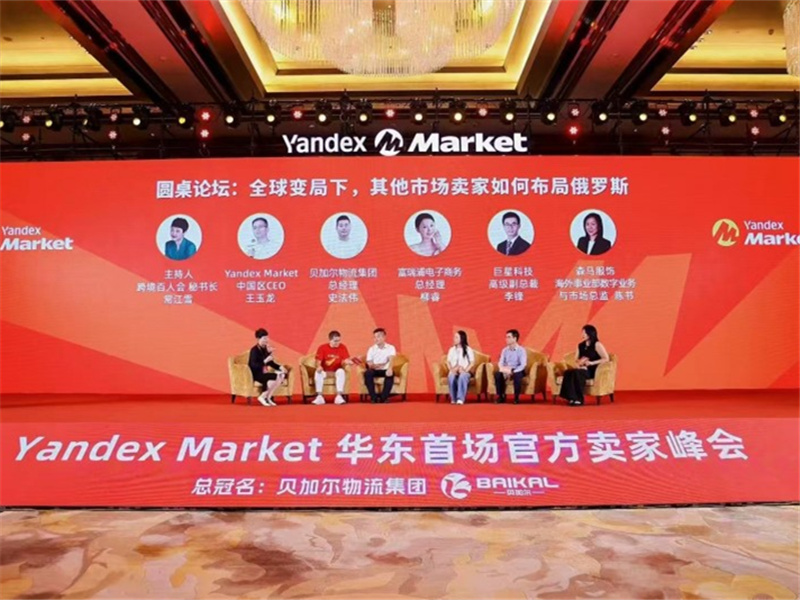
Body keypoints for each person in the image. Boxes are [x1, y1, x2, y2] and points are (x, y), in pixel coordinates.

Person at [559, 324, 610, 406]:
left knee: (577, 373)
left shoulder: (597, 344)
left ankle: (579, 399)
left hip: (592, 369)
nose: (582, 335)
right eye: (582, 333)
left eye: (584, 333)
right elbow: (576, 359)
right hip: (581, 368)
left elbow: (606, 358)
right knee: (568, 373)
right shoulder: (580, 345)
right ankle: (571, 398)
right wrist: (579, 363)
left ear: (590, 333)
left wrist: (591, 363)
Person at [247, 328, 287, 406]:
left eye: (267, 338)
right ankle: (262, 397)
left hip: (264, 372)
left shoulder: (265, 349)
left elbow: (270, 363)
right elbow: (253, 365)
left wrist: (280, 367)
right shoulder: (254, 350)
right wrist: (265, 361)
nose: (266, 340)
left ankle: (268, 397)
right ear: (258, 339)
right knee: (276, 376)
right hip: (256, 374)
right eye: (264, 338)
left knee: (282, 375)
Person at [312, 330, 353, 405]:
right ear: (330, 340)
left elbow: (346, 359)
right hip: (325, 372)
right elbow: (318, 361)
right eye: (335, 341)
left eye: (339, 340)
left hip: (336, 371)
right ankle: (319, 397)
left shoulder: (343, 347)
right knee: (317, 372)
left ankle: (339, 396)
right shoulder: (322, 347)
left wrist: (349, 362)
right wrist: (319, 366)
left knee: (341, 371)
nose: (338, 343)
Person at [494, 329, 527, 404]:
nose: (506, 339)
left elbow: (523, 364)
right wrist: (504, 369)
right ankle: (501, 396)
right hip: (507, 369)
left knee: (517, 375)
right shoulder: (504, 350)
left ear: (515, 338)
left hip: (518, 369)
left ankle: (516, 398)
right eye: (506, 337)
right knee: (498, 375)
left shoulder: (521, 350)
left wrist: (513, 371)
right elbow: (501, 362)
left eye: (509, 337)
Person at [364, 328, 396, 403]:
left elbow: (391, 359)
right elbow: (369, 363)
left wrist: (390, 368)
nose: (376, 339)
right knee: (368, 373)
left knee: (390, 374)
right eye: (374, 337)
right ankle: (373, 397)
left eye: (378, 336)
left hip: (385, 369)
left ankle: (384, 397)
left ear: (384, 337)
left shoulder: (390, 348)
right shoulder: (371, 349)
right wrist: (375, 366)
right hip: (374, 369)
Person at [447, 330, 475, 405]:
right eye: (454, 337)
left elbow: (472, 363)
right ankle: (453, 398)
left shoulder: (468, 349)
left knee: (463, 376)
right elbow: (448, 362)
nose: (454, 339)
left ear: (461, 338)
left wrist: (465, 370)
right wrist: (452, 370)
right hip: (454, 370)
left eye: (456, 337)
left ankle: (460, 399)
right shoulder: (451, 350)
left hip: (465, 371)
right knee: (451, 376)